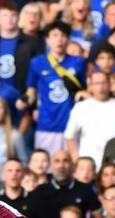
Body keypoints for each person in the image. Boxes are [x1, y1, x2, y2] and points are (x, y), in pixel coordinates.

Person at [26, 22, 87, 154]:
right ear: (47, 40)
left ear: (68, 39)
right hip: (46, 123)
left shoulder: (79, 62)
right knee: (45, 162)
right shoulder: (37, 62)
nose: (59, 39)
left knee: (72, 162)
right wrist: (24, 102)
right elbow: (31, 91)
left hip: (72, 122)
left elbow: (86, 88)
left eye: (63, 36)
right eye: (55, 35)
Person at [64, 70, 115, 169]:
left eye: (104, 83)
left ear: (109, 84)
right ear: (90, 86)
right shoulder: (81, 107)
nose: (101, 87)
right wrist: (76, 158)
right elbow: (69, 136)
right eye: (97, 83)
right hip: (90, 162)